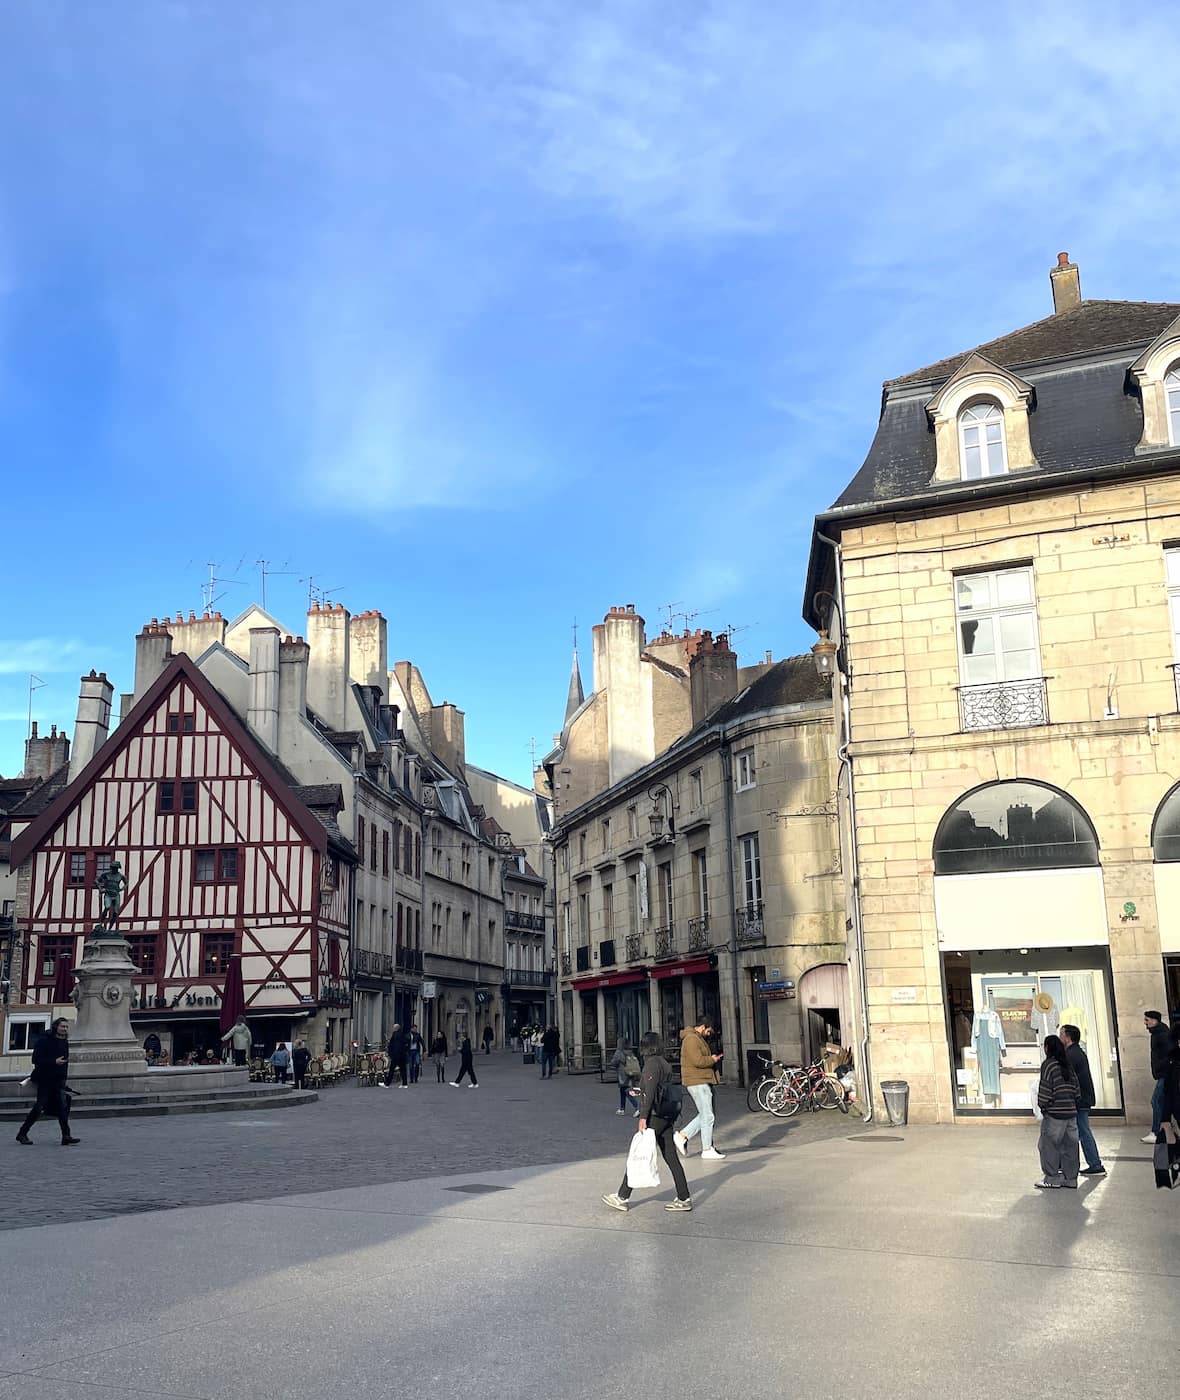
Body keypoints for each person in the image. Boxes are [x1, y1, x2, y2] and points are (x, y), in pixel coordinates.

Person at [602, 1030, 691, 1213]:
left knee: (638, 1153)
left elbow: (650, 1092)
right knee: (671, 1157)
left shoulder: (651, 1064)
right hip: (667, 1114)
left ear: (646, 1047)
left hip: (655, 1116)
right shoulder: (665, 1063)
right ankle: (684, 1196)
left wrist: (643, 1116)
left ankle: (622, 1196)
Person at [16, 1017, 80, 1146]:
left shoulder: (64, 1042)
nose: (65, 1029)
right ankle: (22, 1133)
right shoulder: (44, 1040)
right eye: (63, 1026)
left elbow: (64, 1063)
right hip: (45, 1078)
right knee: (39, 1107)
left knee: (62, 1107)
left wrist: (63, 1080)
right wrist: (53, 1062)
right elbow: (36, 1060)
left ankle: (66, 1135)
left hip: (58, 1079)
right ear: (56, 1027)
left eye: (66, 1027)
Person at [674, 1019, 725, 1161]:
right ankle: (707, 1149)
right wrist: (712, 1059)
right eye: (708, 1031)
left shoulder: (696, 1038)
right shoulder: (691, 1039)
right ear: (703, 1027)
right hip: (698, 1081)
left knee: (706, 1115)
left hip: (700, 1081)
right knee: (708, 1116)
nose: (709, 1034)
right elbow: (698, 1061)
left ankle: (682, 1136)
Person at [1036, 1034, 1080, 1190]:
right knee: (1070, 1147)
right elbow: (1077, 1089)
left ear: (1047, 1048)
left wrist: (1043, 1106)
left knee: (1048, 1145)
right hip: (1071, 1112)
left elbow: (1045, 1089)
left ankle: (1052, 1178)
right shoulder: (1067, 1065)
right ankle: (1071, 1179)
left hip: (1054, 1113)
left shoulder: (1048, 1065)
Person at [1060, 1023, 1104, 1176]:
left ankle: (1095, 1164)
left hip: (1079, 1100)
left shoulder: (1071, 1055)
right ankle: (1090, 1163)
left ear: (1067, 1037)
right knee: (1077, 1132)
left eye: (1061, 1034)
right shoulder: (1077, 1052)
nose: (1060, 1037)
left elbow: (1068, 1078)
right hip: (1082, 1098)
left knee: (1082, 1131)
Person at [1142, 1010, 1174, 1144]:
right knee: (1161, 1102)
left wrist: (1163, 1067)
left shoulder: (1161, 1034)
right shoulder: (1157, 1033)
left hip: (1165, 1073)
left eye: (1147, 1020)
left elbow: (1169, 1053)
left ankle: (1156, 1132)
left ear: (1155, 1021)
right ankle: (1163, 1130)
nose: (1145, 1023)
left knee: (1156, 1101)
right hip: (1164, 1072)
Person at [609, 1038, 639, 1115]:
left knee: (627, 1091)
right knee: (623, 1091)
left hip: (623, 1075)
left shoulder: (619, 1052)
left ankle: (637, 1107)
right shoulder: (630, 1052)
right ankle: (622, 1108)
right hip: (631, 1073)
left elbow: (613, 1062)